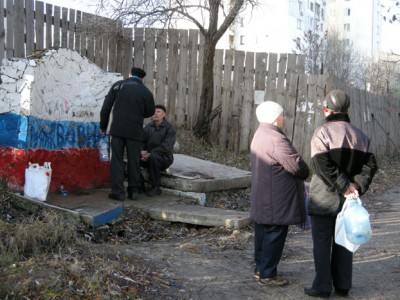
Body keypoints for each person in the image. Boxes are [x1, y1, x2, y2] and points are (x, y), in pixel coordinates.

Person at [304, 90, 378, 298]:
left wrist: (344, 186)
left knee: (322, 242)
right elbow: (371, 165)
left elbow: (321, 165)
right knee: (345, 240)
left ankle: (322, 287)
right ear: (346, 110)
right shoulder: (361, 136)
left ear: (326, 110)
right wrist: (357, 186)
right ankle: (343, 285)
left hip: (323, 199)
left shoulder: (322, 133)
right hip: (350, 201)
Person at [250, 101, 310, 287]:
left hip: (264, 194)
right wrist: (305, 169)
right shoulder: (276, 139)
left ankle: (260, 269)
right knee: (275, 234)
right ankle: (268, 275)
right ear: (276, 118)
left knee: (263, 232)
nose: (283, 118)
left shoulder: (261, 133)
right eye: (282, 115)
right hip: (277, 197)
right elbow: (297, 166)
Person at [100, 67, 155, 201]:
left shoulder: (117, 86)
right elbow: (150, 112)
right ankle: (133, 191)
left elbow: (106, 108)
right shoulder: (146, 92)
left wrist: (103, 126)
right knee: (134, 161)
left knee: (117, 160)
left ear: (129, 75)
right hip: (135, 131)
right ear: (142, 78)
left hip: (117, 130)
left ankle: (118, 192)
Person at [141, 104, 176, 197]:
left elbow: (167, 146)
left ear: (163, 115)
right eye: (154, 112)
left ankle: (155, 187)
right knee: (133, 156)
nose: (155, 113)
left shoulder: (169, 128)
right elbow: (141, 141)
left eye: (158, 112)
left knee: (154, 157)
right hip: (148, 156)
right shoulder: (148, 127)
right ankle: (139, 185)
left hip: (164, 158)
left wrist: (150, 153)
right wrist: (141, 151)